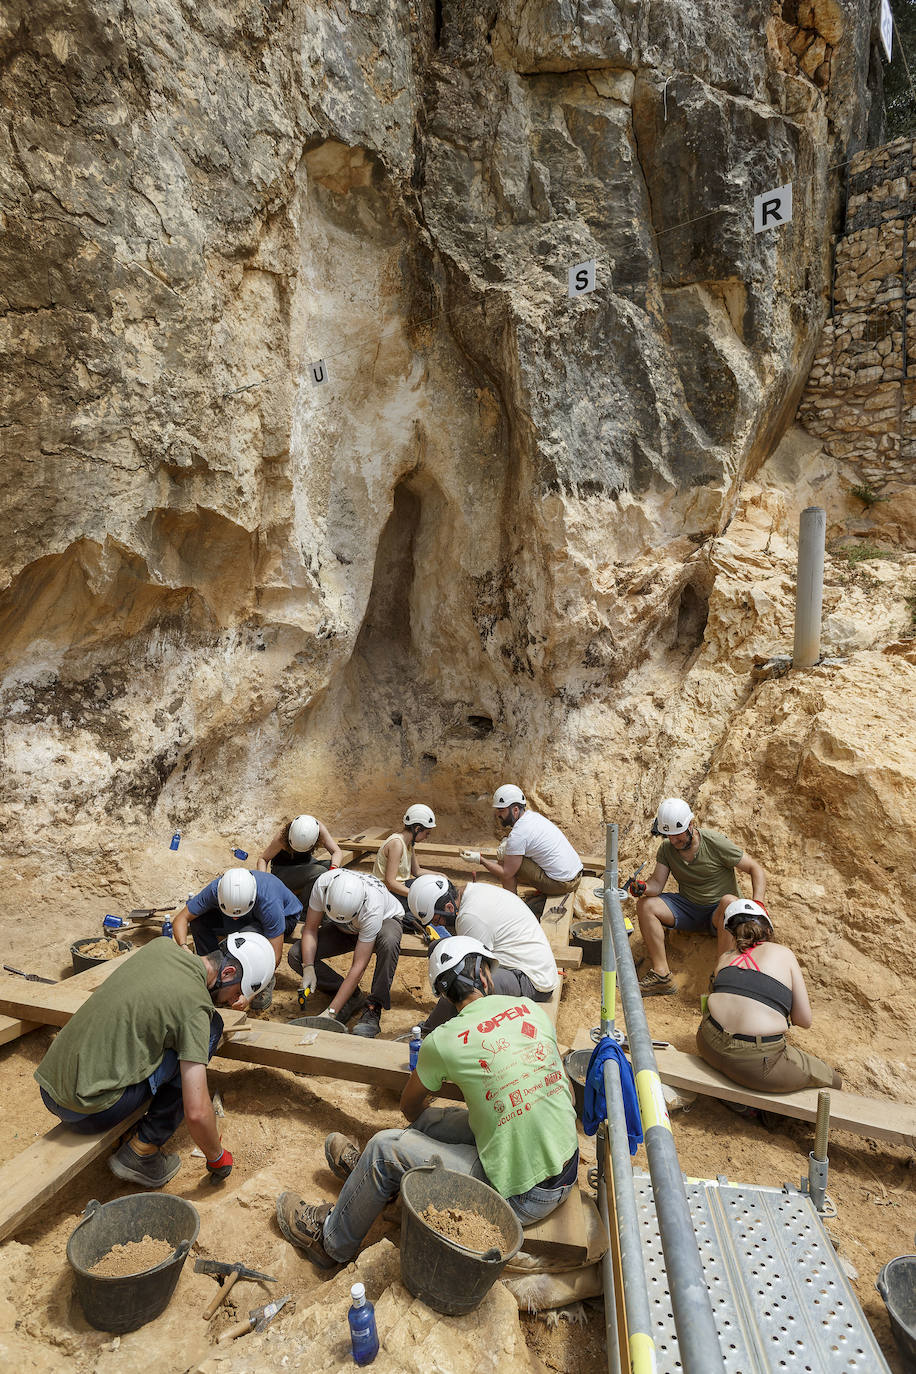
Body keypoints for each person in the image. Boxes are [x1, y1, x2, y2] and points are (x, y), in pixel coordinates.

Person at [274, 935, 579, 1270]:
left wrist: (418, 1135)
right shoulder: (530, 1009)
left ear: (445, 994)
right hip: (566, 1166)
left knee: (385, 1147)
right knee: (445, 1122)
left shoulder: (444, 1040)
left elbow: (409, 1107)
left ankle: (330, 1242)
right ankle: (380, 1182)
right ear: (484, 975)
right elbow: (566, 1090)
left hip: (522, 1198)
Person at [34, 931, 275, 1187]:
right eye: (238, 991)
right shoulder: (196, 1010)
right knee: (212, 1026)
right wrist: (218, 1157)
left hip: (50, 1086)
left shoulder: (160, 946)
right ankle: (143, 1149)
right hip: (88, 1111)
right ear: (227, 973)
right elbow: (195, 1112)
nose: (235, 1000)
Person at [696, 900, 840, 1092]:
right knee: (833, 1079)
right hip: (756, 1064)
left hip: (707, 1045)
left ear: (732, 932)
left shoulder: (725, 958)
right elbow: (804, 1020)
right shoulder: (784, 954)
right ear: (768, 928)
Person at [630, 798, 767, 997]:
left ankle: (721, 978)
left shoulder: (713, 842)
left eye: (678, 837)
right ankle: (661, 976)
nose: (674, 842)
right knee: (646, 905)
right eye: (669, 837)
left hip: (719, 913)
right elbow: (657, 884)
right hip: (689, 908)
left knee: (729, 901)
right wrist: (643, 887)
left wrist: (758, 905)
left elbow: (756, 869)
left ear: (691, 825)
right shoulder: (667, 849)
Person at [407, 873, 559, 1033]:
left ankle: (431, 1032)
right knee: (437, 949)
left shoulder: (470, 917)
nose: (438, 925)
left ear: (449, 907)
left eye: (438, 920)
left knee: (460, 983)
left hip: (533, 980)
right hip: (526, 962)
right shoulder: (472, 893)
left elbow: (467, 972)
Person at [288, 868, 404, 1039]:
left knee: (389, 941)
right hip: (345, 926)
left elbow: (359, 966)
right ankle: (352, 996)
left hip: (384, 920)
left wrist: (331, 1013)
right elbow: (310, 929)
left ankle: (373, 1007)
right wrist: (308, 966)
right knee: (297, 954)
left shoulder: (373, 905)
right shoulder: (323, 884)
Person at [171, 868, 302, 1011]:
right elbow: (181, 918)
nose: (234, 918)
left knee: (246, 939)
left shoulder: (269, 902)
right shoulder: (218, 889)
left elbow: (274, 957)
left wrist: (251, 994)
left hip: (286, 916)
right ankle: (213, 972)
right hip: (244, 915)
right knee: (199, 921)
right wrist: (184, 948)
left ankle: (261, 979)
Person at [462, 786, 582, 900]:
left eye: (501, 810)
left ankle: (513, 906)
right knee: (510, 857)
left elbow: (506, 873)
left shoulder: (518, 834)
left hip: (563, 884)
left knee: (506, 861)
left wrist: (480, 860)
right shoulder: (533, 817)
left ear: (515, 810)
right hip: (576, 876)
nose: (497, 814)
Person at [257, 813, 343, 910]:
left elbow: (336, 852)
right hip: (283, 871)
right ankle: (303, 909)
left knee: (331, 867)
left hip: (305, 865)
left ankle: (327, 903)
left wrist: (333, 869)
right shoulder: (282, 836)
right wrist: (263, 883)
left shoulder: (319, 829)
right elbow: (263, 859)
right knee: (320, 872)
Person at [373, 804, 436, 909]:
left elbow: (417, 871)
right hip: (387, 893)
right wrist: (416, 895)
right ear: (417, 829)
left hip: (400, 887)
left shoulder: (409, 843)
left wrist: (440, 875)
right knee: (428, 905)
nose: (426, 837)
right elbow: (390, 882)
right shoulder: (396, 844)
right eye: (427, 833)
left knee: (432, 888)